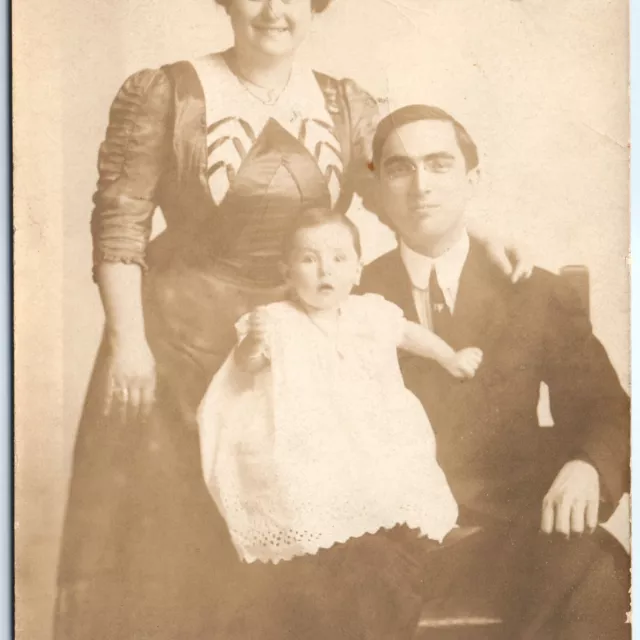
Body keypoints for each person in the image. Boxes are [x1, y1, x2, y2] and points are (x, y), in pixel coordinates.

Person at [54, 2, 531, 638]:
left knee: (305, 551)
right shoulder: (166, 92)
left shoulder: (343, 104)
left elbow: (394, 193)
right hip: (179, 352)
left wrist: (479, 234)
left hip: (302, 348)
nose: (275, 11)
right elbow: (120, 221)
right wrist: (128, 343)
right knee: (177, 559)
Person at [359, 104, 631, 639]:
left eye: (439, 164)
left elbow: (606, 407)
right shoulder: (348, 296)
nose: (421, 186)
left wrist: (587, 466)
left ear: (472, 178)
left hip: (517, 520)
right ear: (377, 190)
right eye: (400, 168)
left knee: (595, 570)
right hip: (393, 533)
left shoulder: (535, 290)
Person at [197, 208, 479, 638]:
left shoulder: (370, 312)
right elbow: (247, 364)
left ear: (358, 269)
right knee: (316, 503)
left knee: (390, 482)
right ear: (286, 271)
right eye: (309, 259)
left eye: (339, 258)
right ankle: (330, 543)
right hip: (307, 441)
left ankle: (404, 535)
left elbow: (410, 335)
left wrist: (449, 357)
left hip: (367, 434)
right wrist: (254, 340)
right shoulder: (276, 320)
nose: (325, 269)